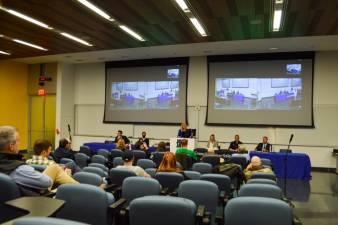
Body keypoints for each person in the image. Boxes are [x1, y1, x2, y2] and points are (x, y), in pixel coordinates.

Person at [0, 126, 77, 194]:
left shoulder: (8, 166)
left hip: (9, 203)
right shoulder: (19, 169)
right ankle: (82, 190)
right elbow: (47, 183)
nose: (19, 143)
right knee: (55, 167)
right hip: (34, 202)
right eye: (18, 140)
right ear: (11, 146)